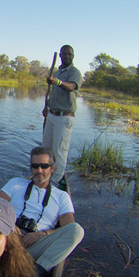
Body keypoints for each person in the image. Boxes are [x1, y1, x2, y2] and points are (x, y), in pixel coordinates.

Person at [0, 146, 84, 277]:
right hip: (7, 238)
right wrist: (9, 225)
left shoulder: (62, 196)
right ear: (31, 168)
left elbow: (68, 228)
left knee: (77, 230)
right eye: (35, 166)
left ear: (52, 168)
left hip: (35, 246)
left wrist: (42, 235)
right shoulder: (15, 183)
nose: (39, 170)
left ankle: (36, 273)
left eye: (44, 166)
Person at [42, 45, 83, 185]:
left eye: (69, 54)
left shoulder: (75, 73)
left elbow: (71, 86)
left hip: (64, 117)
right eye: (64, 54)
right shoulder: (58, 72)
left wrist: (57, 82)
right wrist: (47, 107)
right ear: (60, 55)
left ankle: (54, 182)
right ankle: (44, 174)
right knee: (46, 148)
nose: (67, 56)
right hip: (52, 115)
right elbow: (53, 92)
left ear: (73, 56)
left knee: (59, 151)